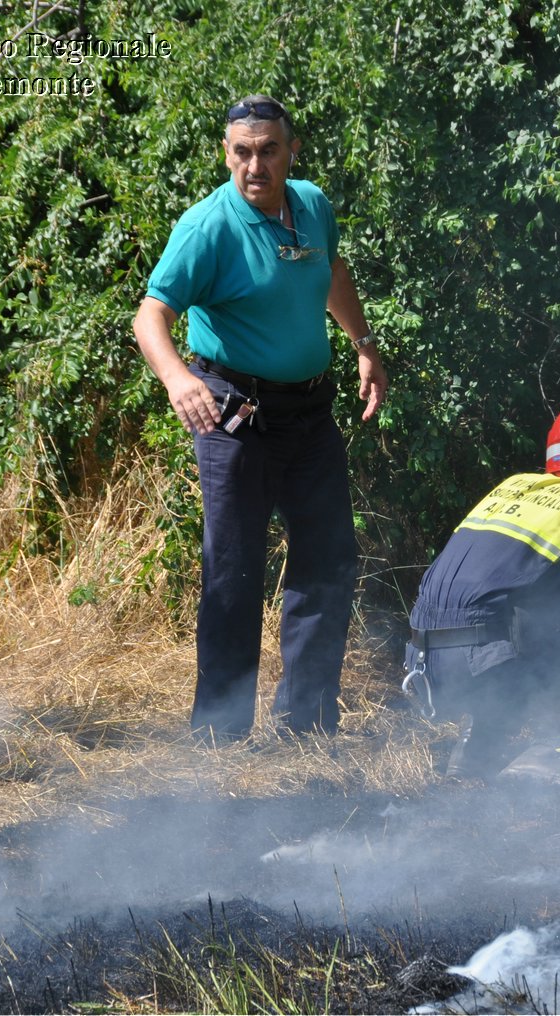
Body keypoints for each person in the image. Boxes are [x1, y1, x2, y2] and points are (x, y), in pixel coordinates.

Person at [132, 94, 388, 744]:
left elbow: (331, 269)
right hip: (235, 414)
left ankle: (308, 723)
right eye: (242, 152)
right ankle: (219, 737)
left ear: (290, 150)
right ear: (226, 153)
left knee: (328, 560)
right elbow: (150, 315)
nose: (255, 166)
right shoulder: (208, 227)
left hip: (310, 408)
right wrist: (177, 377)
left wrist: (363, 345)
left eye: (268, 150)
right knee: (234, 572)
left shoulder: (312, 204)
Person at [404, 397, 560, 785]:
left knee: (521, 629)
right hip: (485, 660)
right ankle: (559, 759)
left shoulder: (512, 488)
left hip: (423, 665)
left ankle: (473, 754)